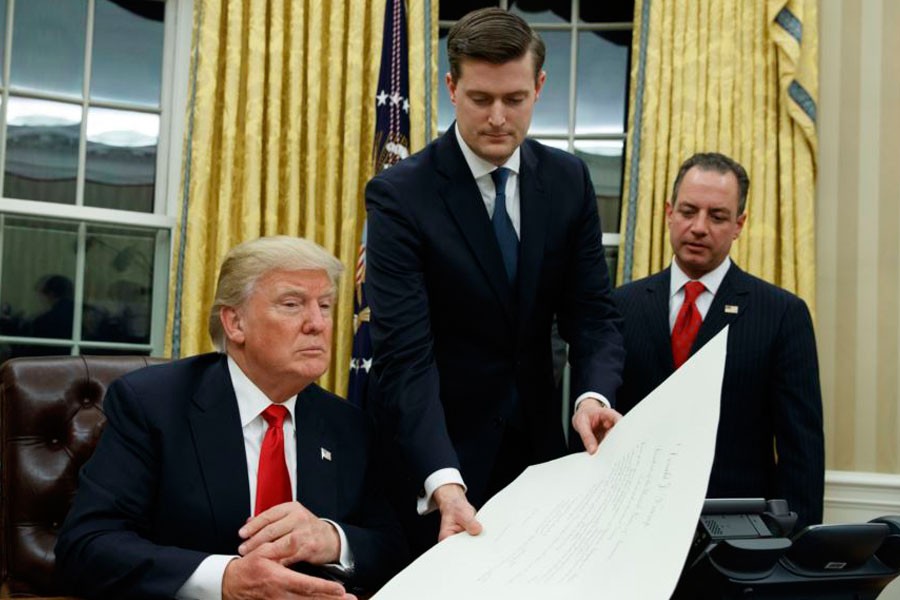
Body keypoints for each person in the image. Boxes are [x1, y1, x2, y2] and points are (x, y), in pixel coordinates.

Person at [365, 7, 625, 555]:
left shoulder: (569, 180)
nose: (499, 119)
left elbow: (593, 316)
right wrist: (442, 480)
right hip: (433, 463)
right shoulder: (399, 196)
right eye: (481, 99)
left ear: (540, 86)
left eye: (515, 99)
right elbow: (405, 358)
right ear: (451, 87)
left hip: (536, 458)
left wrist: (591, 395)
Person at [56, 236, 407, 599]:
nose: (317, 324)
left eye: (326, 305)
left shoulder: (348, 425)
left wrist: (334, 539)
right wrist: (226, 579)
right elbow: (86, 546)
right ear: (235, 322)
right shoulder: (153, 405)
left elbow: (394, 550)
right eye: (292, 304)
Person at [612, 152, 825, 530]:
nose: (698, 227)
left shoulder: (780, 314)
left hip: (736, 539)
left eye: (717, 216)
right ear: (668, 212)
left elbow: (801, 452)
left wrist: (794, 555)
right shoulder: (621, 306)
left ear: (739, 224)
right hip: (631, 527)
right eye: (688, 211)